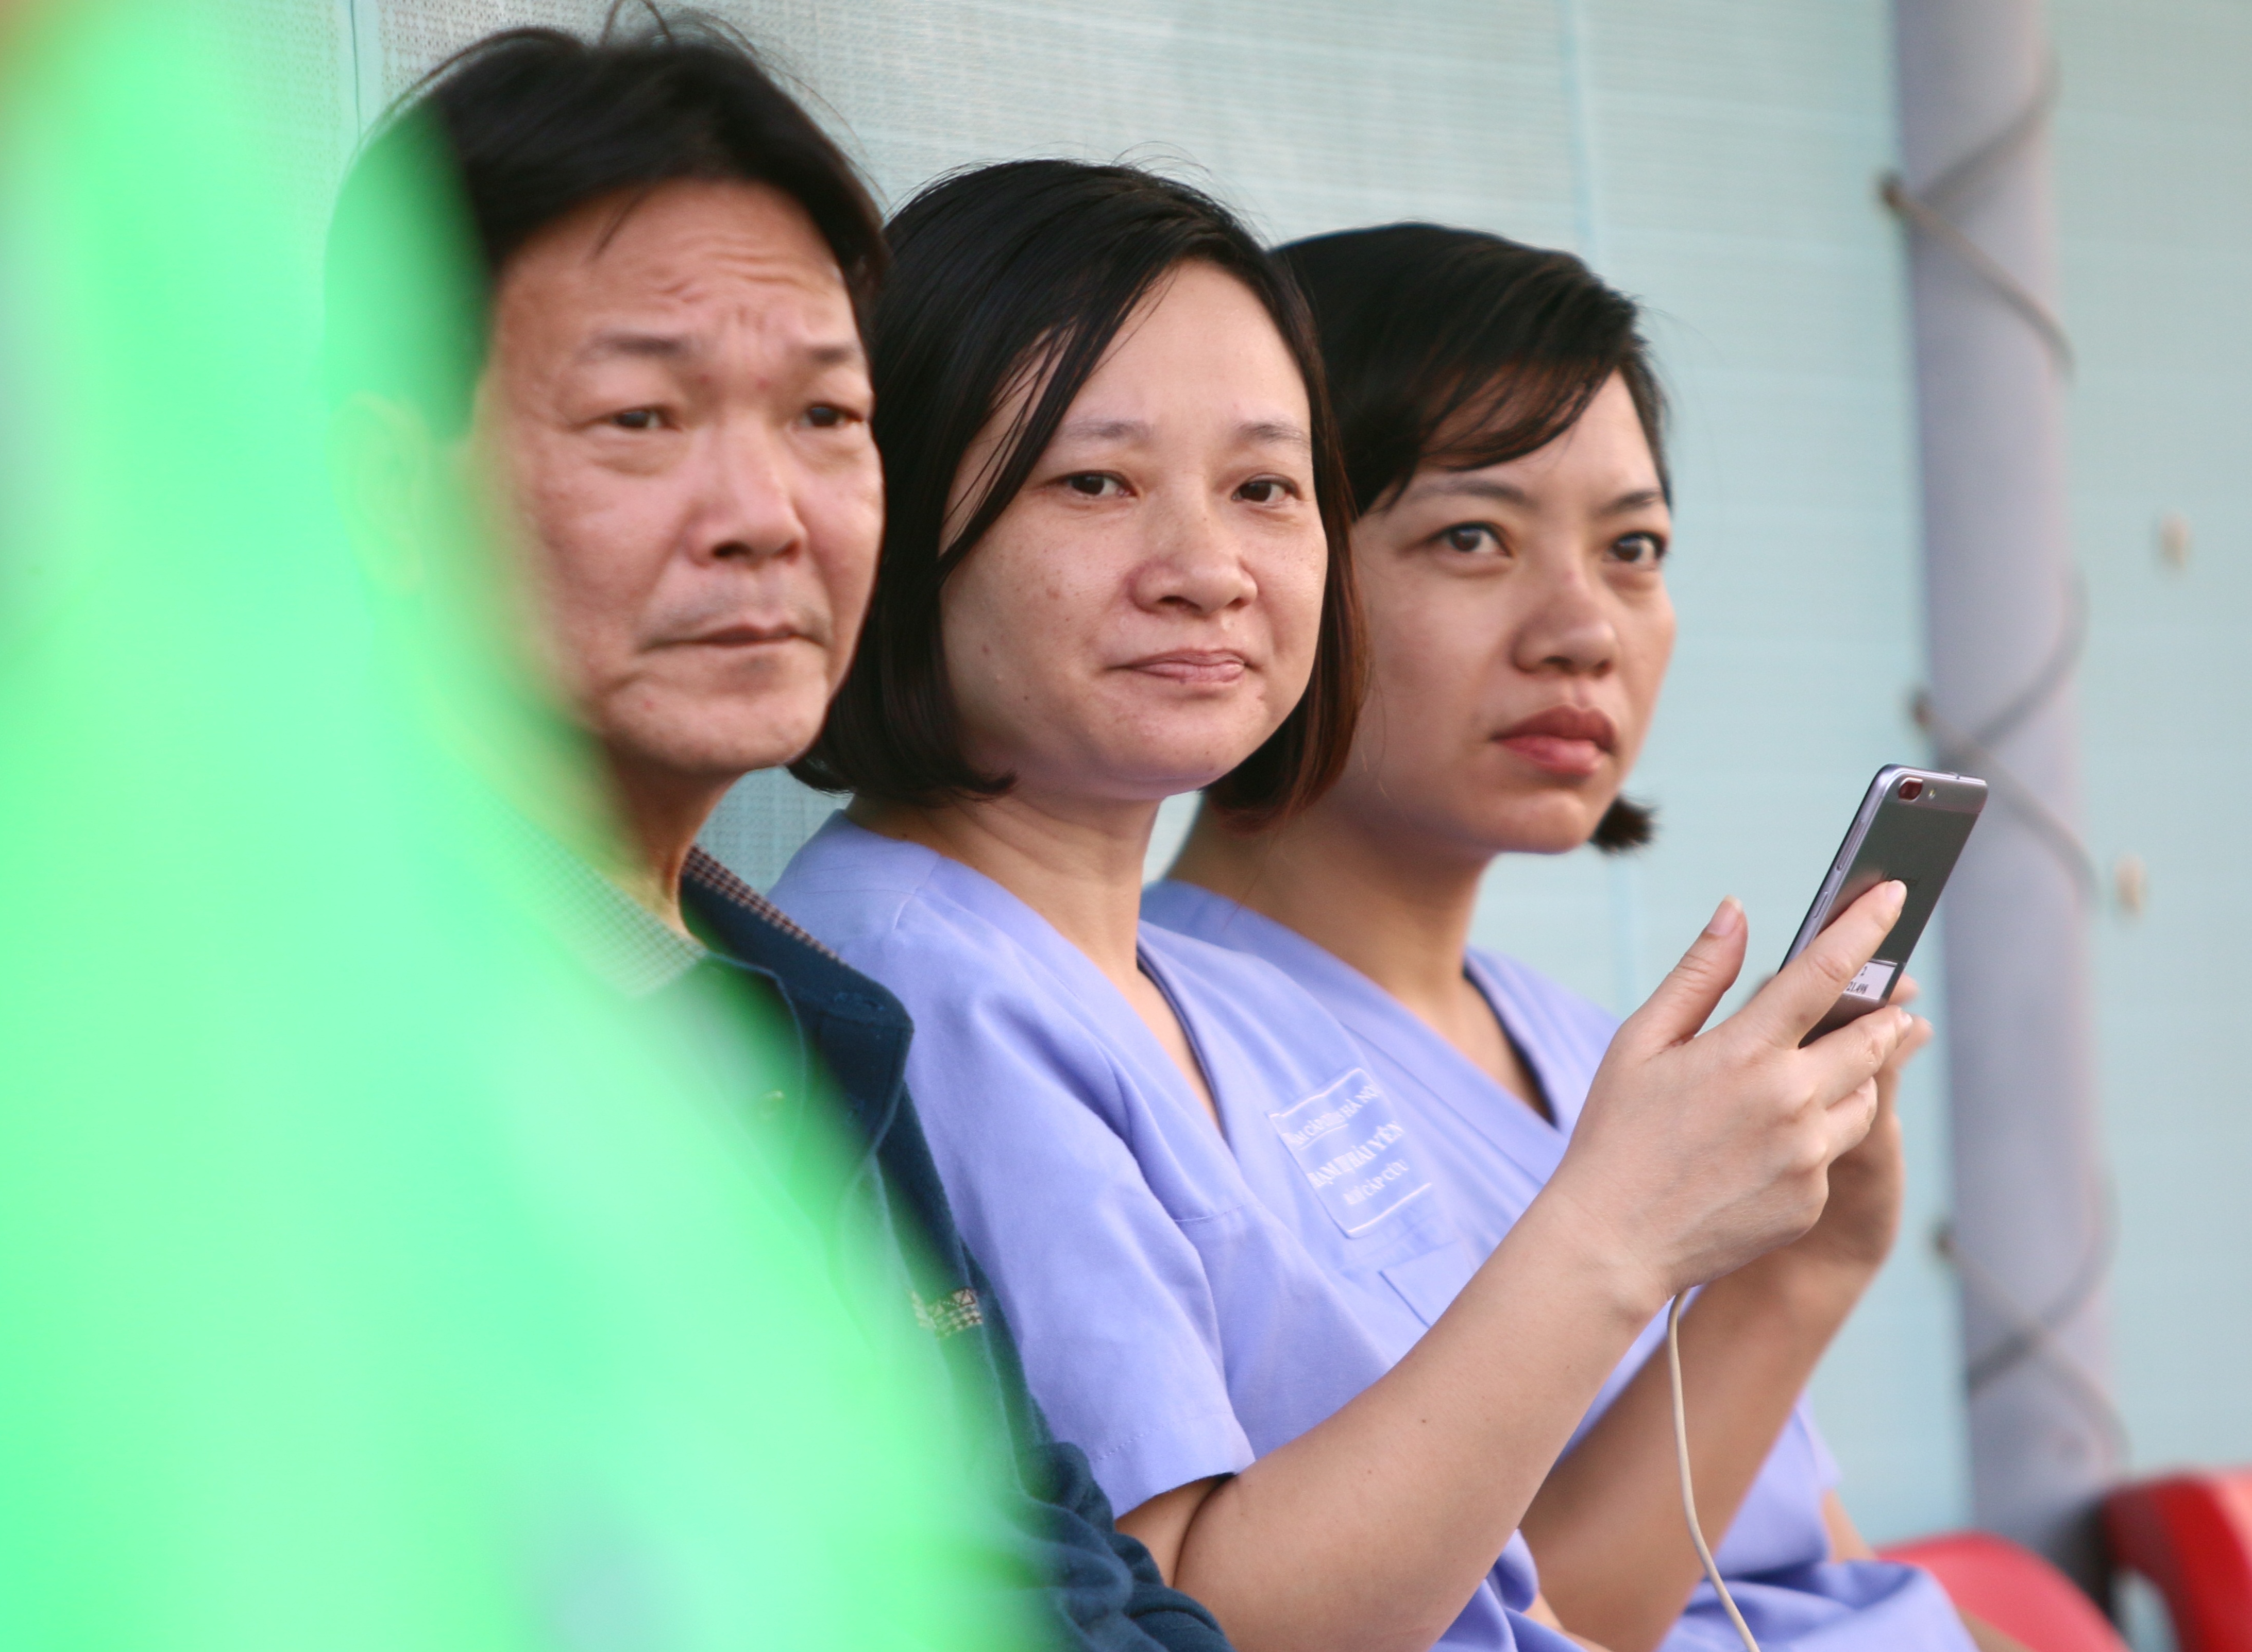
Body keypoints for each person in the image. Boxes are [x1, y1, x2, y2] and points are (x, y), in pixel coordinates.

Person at [771, 157, 1916, 1652]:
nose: (1207, 572)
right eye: (1094, 483)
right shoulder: (930, 983)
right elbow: (1193, 1618)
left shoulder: (1194, 1004)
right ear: (897, 515)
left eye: (1265, 490)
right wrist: (1620, 1231)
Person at [324, 20, 1231, 1652]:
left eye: (825, 419)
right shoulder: (318, 1023)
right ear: (390, 488)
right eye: (642, 423)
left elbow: (1052, 1566)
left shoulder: (795, 1013)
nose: (766, 514)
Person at [1145, 223, 2008, 1652]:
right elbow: (1525, 1621)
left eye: (1635, 549)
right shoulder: (1153, 1043)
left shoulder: (1578, 1044)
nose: (1583, 629)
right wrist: (1784, 1282)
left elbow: (1820, 1563)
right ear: (1269, 553)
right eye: (1472, 537)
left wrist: (1813, 1254)